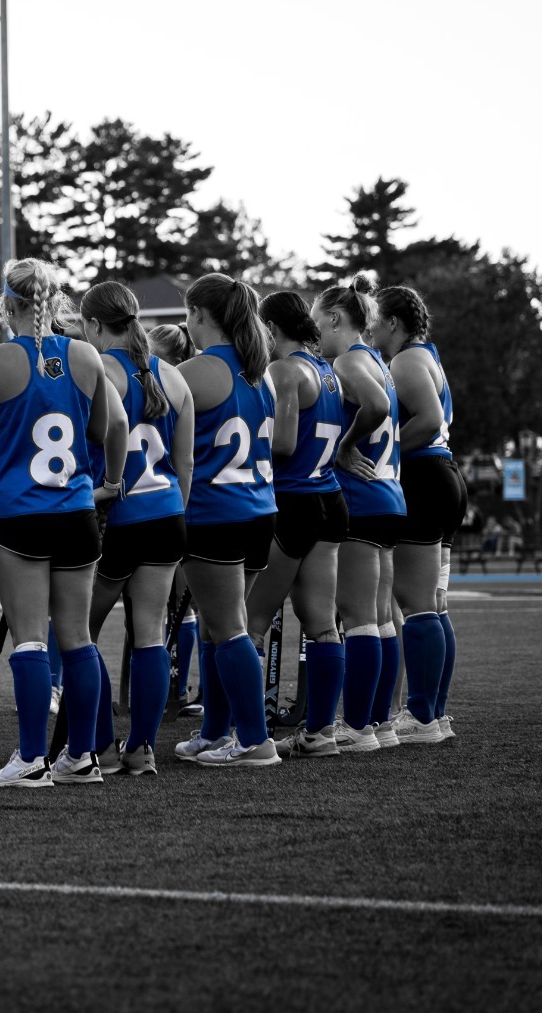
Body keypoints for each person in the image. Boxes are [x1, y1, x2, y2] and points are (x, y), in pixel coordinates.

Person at [0, 259, 125, 788]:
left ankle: (32, 758)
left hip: (20, 515)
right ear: (55, 303)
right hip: (76, 511)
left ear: (6, 305)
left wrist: (8, 447)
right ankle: (81, 756)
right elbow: (102, 430)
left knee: (30, 641)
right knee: (78, 639)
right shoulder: (85, 354)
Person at [79, 281, 193, 776]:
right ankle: (142, 748)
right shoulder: (175, 376)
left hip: (117, 515)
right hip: (167, 513)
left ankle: (102, 744)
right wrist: (174, 513)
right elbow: (185, 463)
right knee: (150, 634)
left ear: (96, 325)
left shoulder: (100, 369)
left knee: (79, 631)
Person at [171, 273, 281, 768]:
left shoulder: (196, 372)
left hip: (213, 512)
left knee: (229, 627)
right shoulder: (262, 372)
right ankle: (214, 733)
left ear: (199, 316)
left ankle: (256, 740)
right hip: (259, 510)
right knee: (221, 628)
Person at [247, 291, 349, 759]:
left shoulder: (284, 370)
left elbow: (283, 444)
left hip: (292, 501)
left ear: (271, 327)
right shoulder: (328, 370)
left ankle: (242, 735)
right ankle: (320, 733)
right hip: (328, 498)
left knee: (249, 621)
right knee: (322, 624)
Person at [312, 275, 409, 752]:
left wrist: (345, 445)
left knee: (359, 619)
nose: (316, 334)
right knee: (381, 618)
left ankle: (357, 726)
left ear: (334, 319)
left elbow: (376, 405)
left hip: (363, 499)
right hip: (389, 496)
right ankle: (380, 722)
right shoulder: (377, 360)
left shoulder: (349, 359)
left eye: (318, 323)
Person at [371, 284, 463, 742]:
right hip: (442, 476)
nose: (367, 324)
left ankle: (424, 716)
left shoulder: (405, 360)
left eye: (372, 316)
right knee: (434, 605)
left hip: (424, 479)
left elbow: (427, 420)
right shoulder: (425, 355)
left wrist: (382, 452)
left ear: (391, 322)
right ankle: (434, 714)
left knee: (417, 604)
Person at [149, 323, 203, 712]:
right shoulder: (186, 384)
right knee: (183, 605)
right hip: (186, 504)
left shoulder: (169, 384)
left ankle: (175, 690)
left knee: (175, 605)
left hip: (170, 505)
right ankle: (177, 689)